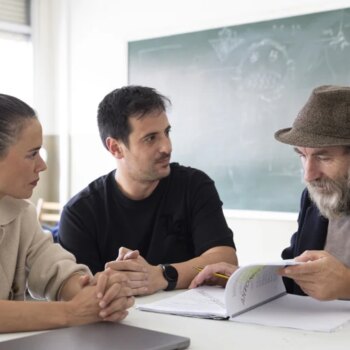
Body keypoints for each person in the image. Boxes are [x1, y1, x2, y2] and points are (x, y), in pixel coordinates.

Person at [58, 85, 237, 296]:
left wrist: (162, 275)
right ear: (115, 148)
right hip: (115, 326)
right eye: (151, 138)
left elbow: (225, 261)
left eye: (166, 132)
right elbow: (79, 291)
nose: (167, 147)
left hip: (190, 326)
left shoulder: (194, 186)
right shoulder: (80, 213)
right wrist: (123, 278)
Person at [190, 85, 350, 301]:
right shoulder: (313, 199)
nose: (308, 175)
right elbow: (293, 275)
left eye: (323, 158)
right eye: (302, 156)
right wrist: (241, 280)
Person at [0, 94, 134, 333]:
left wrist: (99, 296)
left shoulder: (22, 213)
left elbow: (54, 268)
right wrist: (70, 312)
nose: (42, 165)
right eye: (32, 154)